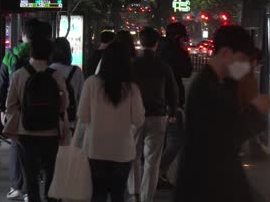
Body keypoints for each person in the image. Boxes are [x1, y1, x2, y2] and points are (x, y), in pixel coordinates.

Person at [174, 26, 270, 202]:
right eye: (241, 58)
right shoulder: (207, 88)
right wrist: (255, 111)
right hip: (207, 184)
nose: (243, 65)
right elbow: (225, 138)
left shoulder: (215, 81)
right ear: (226, 52)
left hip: (209, 181)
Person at [76, 42, 145, 202]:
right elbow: (139, 119)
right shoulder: (131, 88)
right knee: (118, 195)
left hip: (95, 149)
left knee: (97, 195)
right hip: (122, 150)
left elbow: (83, 116)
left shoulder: (91, 83)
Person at [3, 39, 69, 202]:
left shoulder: (19, 74)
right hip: (51, 131)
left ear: (31, 53)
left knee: (31, 178)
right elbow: (64, 104)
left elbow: (10, 105)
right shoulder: (56, 75)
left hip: (26, 132)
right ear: (49, 55)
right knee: (51, 174)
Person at [0, 18, 51, 201]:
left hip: (18, 109)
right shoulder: (44, 54)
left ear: (23, 34)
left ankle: (17, 186)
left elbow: (2, 83)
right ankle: (30, 189)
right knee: (36, 150)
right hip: (41, 111)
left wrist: (2, 109)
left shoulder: (11, 54)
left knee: (16, 146)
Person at [127, 27, 179, 202]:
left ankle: (134, 193)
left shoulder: (133, 64)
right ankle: (147, 197)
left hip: (135, 115)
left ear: (141, 43)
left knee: (133, 155)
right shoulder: (163, 65)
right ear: (157, 44)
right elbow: (173, 89)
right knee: (152, 160)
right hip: (157, 116)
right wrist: (172, 110)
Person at [157, 22, 192, 182]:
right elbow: (187, 71)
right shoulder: (176, 52)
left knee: (161, 141)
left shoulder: (158, 48)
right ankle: (158, 170)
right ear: (177, 37)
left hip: (156, 102)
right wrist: (184, 52)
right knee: (176, 140)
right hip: (172, 103)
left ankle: (158, 175)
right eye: (183, 38)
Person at [50, 37, 84, 132]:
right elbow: (81, 97)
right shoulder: (76, 72)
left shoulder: (47, 71)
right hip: (71, 121)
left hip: (51, 120)